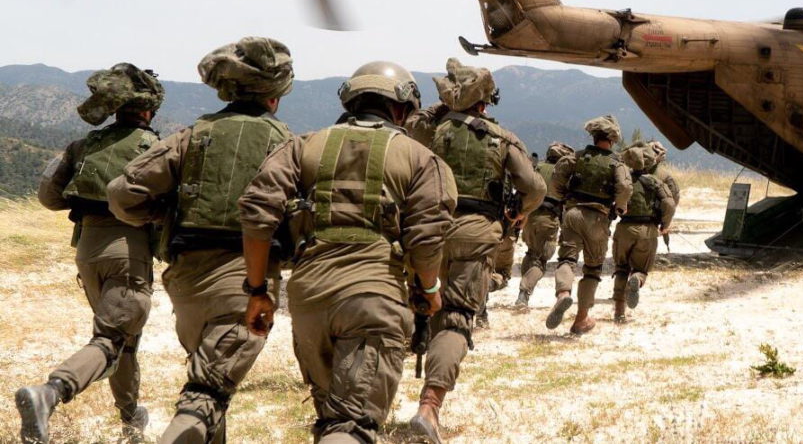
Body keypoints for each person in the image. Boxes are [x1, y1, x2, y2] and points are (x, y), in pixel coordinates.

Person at [237, 61, 455, 444]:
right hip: (374, 299)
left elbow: (256, 213)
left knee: (331, 419)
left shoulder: (303, 145)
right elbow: (426, 237)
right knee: (352, 426)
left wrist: (257, 290)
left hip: (308, 301)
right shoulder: (421, 159)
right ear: (402, 108)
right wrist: (430, 287)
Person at [108, 37, 294, 444]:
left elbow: (122, 193)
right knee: (206, 393)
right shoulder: (289, 145)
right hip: (247, 281)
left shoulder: (190, 136)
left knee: (206, 379)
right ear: (275, 97)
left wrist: (162, 215)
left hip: (186, 280)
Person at [15, 64, 164, 444]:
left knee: (122, 338)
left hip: (87, 251)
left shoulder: (82, 146)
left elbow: (48, 196)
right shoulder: (155, 149)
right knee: (112, 339)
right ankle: (50, 392)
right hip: (128, 252)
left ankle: (130, 418)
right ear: (147, 110)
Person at [405, 58, 544, 441]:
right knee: (455, 319)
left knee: (415, 303)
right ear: (485, 101)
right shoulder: (501, 138)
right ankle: (429, 408)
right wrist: (517, 213)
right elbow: (535, 188)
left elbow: (410, 126)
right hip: (475, 232)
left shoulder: (428, 128)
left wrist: (444, 107)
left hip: (423, 230)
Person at [547, 115, 632, 335]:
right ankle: (581, 318)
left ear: (593, 136)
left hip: (573, 213)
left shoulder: (575, 158)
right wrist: (620, 207)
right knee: (592, 270)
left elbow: (556, 179)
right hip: (598, 218)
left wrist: (563, 197)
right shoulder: (617, 165)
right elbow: (624, 187)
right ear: (613, 139)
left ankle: (563, 295)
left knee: (567, 259)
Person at [612, 142, 677, 323]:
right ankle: (637, 279)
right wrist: (665, 224)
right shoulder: (655, 182)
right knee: (641, 269)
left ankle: (619, 312)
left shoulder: (622, 181)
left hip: (624, 229)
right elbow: (670, 203)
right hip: (647, 231)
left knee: (620, 269)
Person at [514, 142, 574, 309]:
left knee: (531, 252)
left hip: (528, 216)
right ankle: (523, 294)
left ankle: (523, 291)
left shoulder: (536, 167)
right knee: (541, 260)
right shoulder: (562, 174)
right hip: (547, 219)